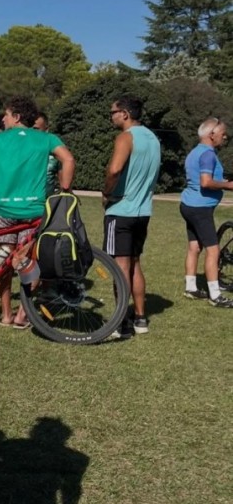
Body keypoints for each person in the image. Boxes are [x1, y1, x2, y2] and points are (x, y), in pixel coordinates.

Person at [0, 96, 75, 328]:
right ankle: (23, 314)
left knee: (4, 256)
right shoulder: (46, 139)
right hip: (34, 210)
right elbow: (68, 159)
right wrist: (64, 190)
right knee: (30, 263)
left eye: (6, 114)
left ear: (16, 117)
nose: (3, 119)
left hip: (1, 208)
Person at [103, 96, 162, 336]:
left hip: (121, 210)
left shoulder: (126, 137)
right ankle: (140, 318)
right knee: (135, 264)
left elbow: (115, 169)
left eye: (113, 112)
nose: (112, 116)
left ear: (125, 113)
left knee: (120, 267)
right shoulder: (153, 139)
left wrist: (106, 192)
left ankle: (120, 322)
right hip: (142, 212)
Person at [179, 117, 233, 307]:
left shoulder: (195, 152)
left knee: (194, 247)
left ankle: (191, 287)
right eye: (222, 133)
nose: (225, 137)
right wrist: (228, 185)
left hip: (188, 205)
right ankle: (215, 295)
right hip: (200, 208)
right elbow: (206, 182)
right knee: (213, 250)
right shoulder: (208, 154)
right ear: (212, 135)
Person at [34, 111, 61, 196]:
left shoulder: (56, 154)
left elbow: (64, 183)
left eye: (36, 129)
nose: (31, 133)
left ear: (46, 130)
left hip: (47, 203)